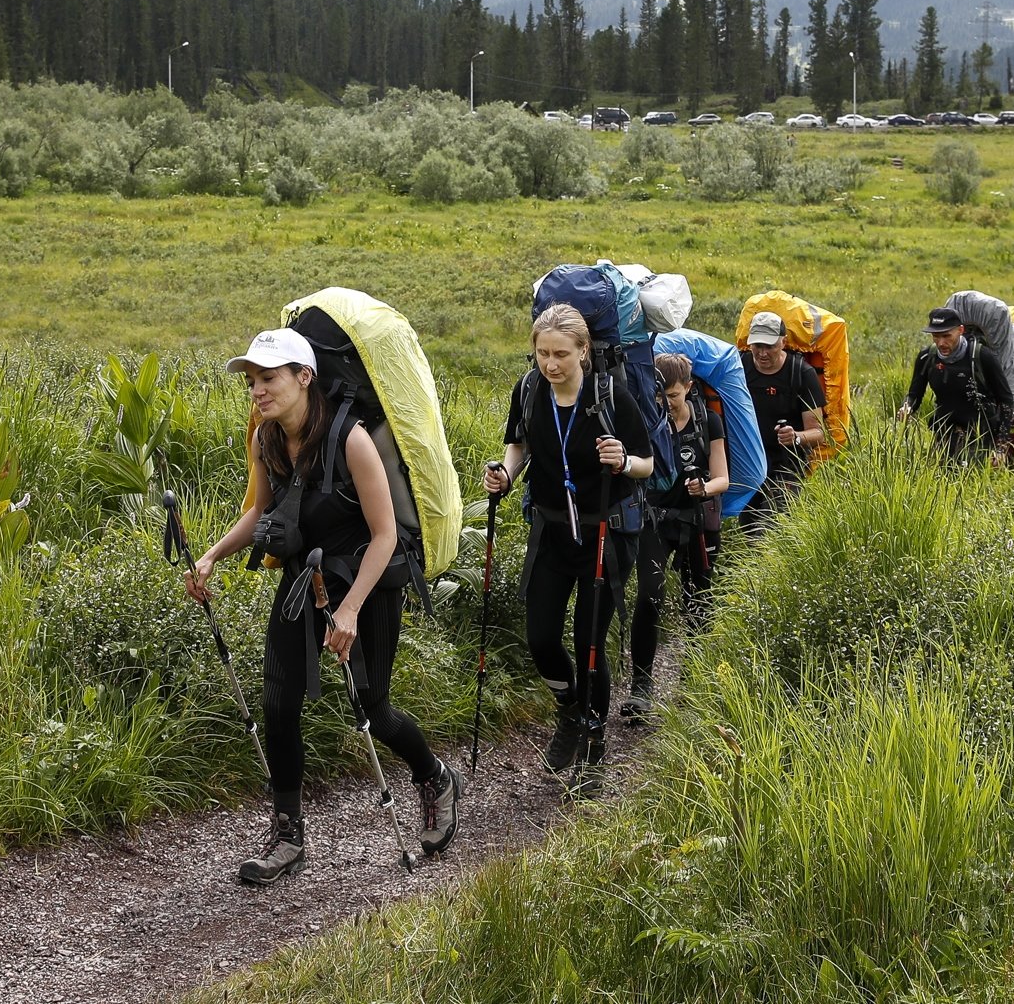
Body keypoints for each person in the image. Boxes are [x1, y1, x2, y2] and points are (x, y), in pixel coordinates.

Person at [185, 327, 457, 886]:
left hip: (367, 580)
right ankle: (289, 836)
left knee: (372, 708)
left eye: (269, 378)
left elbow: (385, 537)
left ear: (304, 377)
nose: (258, 391)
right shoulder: (265, 439)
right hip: (301, 576)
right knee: (278, 699)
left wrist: (351, 608)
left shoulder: (351, 439)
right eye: (253, 381)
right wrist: (211, 556)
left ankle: (432, 777)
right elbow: (260, 511)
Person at [483, 303, 654, 783]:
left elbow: (648, 463)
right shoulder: (530, 389)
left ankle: (594, 745)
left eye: (561, 354)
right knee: (540, 638)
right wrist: (506, 474)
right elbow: (521, 444)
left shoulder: (611, 393)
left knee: (589, 644)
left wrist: (623, 461)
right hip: (552, 530)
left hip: (605, 531)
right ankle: (570, 710)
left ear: (584, 351)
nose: (550, 364)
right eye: (542, 354)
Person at [621, 353, 729, 724]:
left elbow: (722, 479)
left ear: (688, 388)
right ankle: (641, 687)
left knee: (698, 601)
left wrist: (704, 488)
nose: (666, 403)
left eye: (673, 395)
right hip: (654, 519)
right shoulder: (648, 421)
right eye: (660, 396)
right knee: (649, 595)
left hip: (696, 521)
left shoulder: (708, 421)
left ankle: (695, 682)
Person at [740, 311, 827, 533]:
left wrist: (796, 437)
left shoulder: (801, 374)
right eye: (757, 345)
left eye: (769, 346)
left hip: (788, 464)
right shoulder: (739, 368)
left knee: (774, 527)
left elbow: (818, 433)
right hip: (750, 462)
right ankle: (751, 567)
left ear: (783, 342)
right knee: (749, 527)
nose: (762, 352)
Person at [898, 308, 996, 462]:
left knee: (975, 477)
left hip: (981, 433)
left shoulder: (982, 356)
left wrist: (1001, 446)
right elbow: (914, 394)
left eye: (946, 336)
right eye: (936, 337)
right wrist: (907, 406)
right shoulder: (927, 357)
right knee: (948, 476)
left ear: (960, 330)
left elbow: (1005, 399)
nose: (941, 343)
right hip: (946, 432)